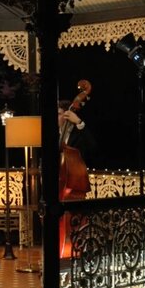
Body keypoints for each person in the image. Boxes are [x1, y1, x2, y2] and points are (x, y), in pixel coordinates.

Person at [57, 99, 97, 259]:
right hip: (60, 186)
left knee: (75, 224)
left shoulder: (78, 133)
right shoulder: (57, 136)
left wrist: (79, 123)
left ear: (68, 115)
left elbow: (93, 147)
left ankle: (76, 253)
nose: (57, 117)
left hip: (73, 187)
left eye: (59, 114)